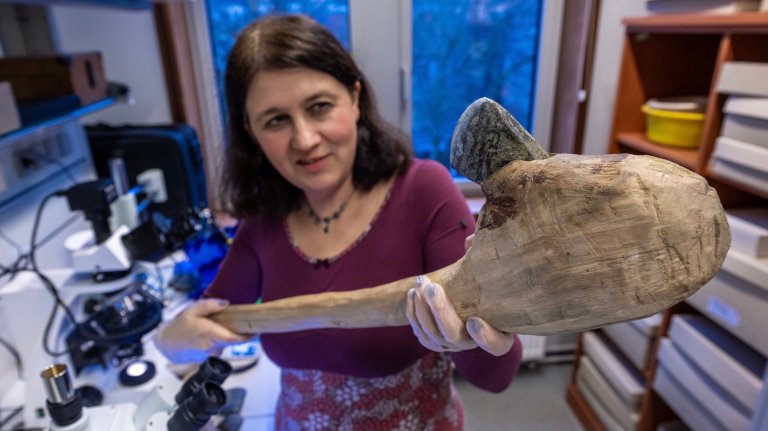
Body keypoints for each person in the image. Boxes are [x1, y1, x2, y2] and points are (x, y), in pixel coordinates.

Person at [155, 14, 523, 430]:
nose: (305, 139)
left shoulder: (423, 191)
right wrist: (172, 338)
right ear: (250, 131)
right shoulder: (263, 224)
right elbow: (203, 327)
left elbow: (498, 376)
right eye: (275, 120)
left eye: (319, 107)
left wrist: (472, 341)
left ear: (354, 97)